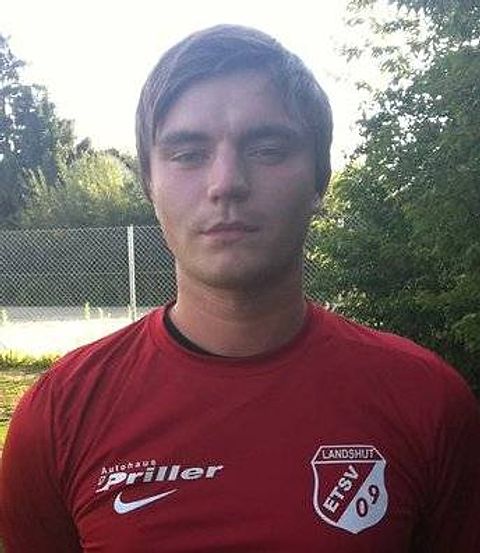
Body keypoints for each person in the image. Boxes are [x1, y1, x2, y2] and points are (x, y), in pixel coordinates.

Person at [1, 24, 479, 553]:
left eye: (268, 149)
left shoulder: (426, 400)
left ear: (319, 179)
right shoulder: (59, 415)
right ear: (149, 184)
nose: (226, 182)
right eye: (188, 154)